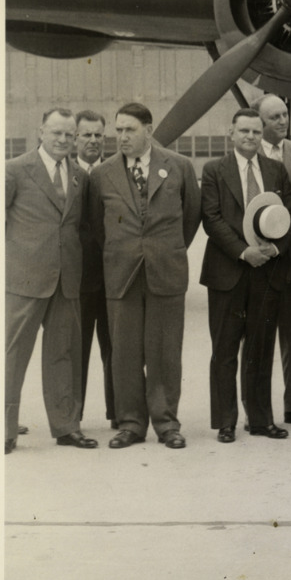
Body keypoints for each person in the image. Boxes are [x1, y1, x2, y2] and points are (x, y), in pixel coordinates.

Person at [88, 102, 201, 449]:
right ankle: (131, 424)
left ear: (148, 130)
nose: (121, 137)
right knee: (124, 352)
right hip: (121, 274)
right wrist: (125, 250)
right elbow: (96, 225)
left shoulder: (179, 166)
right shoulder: (102, 174)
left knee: (166, 352)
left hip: (165, 271)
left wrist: (163, 249)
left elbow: (191, 217)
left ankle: (167, 424)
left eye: (129, 130)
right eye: (118, 130)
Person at [199, 108, 291, 443]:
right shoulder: (214, 170)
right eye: (243, 131)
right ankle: (226, 421)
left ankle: (260, 419)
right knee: (225, 350)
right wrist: (245, 251)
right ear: (231, 133)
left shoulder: (277, 170)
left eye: (256, 132)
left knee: (261, 349)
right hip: (228, 271)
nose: (250, 137)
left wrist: (274, 250)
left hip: (267, 273)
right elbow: (212, 218)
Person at [5, 107, 96, 453]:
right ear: (40, 131)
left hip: (66, 279)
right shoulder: (14, 170)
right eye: (56, 132)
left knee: (64, 354)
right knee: (13, 356)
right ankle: (4, 430)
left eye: (69, 135)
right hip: (25, 279)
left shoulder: (79, 176)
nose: (63, 140)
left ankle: (66, 427)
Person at [256, 93, 291, 425]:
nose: (282, 120)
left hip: (290, 258)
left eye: (284, 115)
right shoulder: (248, 153)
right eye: (274, 117)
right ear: (260, 123)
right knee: (259, 339)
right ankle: (258, 411)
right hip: (257, 262)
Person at [72, 109, 115, 430]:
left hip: (114, 280)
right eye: (86, 135)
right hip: (77, 283)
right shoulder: (67, 174)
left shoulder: (114, 173)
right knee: (77, 351)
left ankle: (119, 414)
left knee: (115, 350)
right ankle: (72, 417)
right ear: (75, 138)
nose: (93, 141)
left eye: (98, 135)